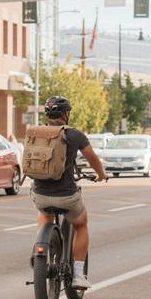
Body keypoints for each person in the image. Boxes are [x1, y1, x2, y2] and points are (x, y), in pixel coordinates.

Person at [30, 95, 107, 289]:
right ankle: (79, 276)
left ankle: (41, 249)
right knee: (81, 224)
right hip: (67, 195)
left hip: (39, 193)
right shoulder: (75, 135)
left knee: (44, 211)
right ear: (66, 114)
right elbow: (92, 158)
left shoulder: (36, 132)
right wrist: (101, 174)